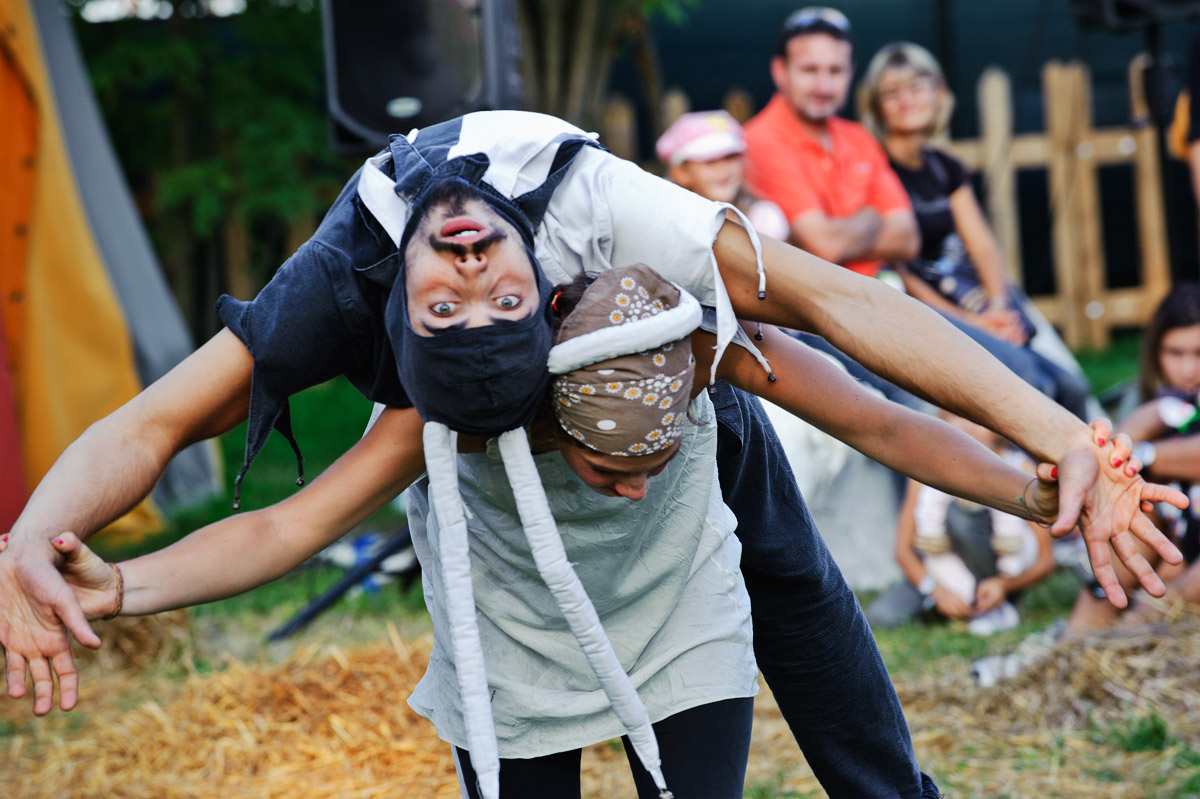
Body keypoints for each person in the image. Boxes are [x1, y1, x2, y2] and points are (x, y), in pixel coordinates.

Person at [0, 109, 1183, 798]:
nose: (464, 283)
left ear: (555, 298)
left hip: (684, 415)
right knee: (521, 690)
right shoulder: (369, 328)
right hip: (489, 506)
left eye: (485, 307)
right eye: (452, 318)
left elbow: (844, 337)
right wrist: (52, 557)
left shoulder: (630, 246)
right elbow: (226, 477)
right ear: (398, 348)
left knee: (800, 592)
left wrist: (1056, 446)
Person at [856, 40, 1092, 419]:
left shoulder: (945, 167)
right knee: (1036, 384)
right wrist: (975, 323)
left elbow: (982, 245)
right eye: (891, 92)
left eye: (917, 86)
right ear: (875, 106)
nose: (907, 100)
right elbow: (896, 274)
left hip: (974, 297)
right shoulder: (875, 168)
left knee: (1073, 387)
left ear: (939, 94)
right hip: (930, 310)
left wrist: (998, 308)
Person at [742, 6, 919, 276]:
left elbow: (907, 239)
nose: (823, 86)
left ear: (851, 72)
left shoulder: (858, 137)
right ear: (780, 72)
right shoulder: (759, 141)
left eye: (835, 71)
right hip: (814, 310)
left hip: (882, 294)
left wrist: (835, 239)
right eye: (809, 70)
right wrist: (872, 217)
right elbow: (826, 246)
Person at [1066, 283, 1200, 633]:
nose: (1188, 368)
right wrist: (1156, 413)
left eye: (1199, 353)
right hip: (1175, 540)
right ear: (1156, 352)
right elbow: (1106, 459)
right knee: (1135, 520)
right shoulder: (1144, 400)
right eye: (1175, 352)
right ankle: (1075, 641)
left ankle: (1135, 630)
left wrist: (1144, 455)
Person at [866, 411, 1056, 634]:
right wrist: (936, 590)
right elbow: (902, 550)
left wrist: (1004, 585)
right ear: (944, 422)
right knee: (881, 616)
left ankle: (986, 603)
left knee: (960, 514)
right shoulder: (923, 470)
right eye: (957, 416)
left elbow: (1046, 561)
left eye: (977, 419)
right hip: (940, 571)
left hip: (1000, 573)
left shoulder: (1020, 469)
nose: (968, 426)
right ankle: (954, 605)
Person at [655, 109, 789, 241]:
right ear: (680, 172)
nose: (722, 168)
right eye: (709, 160)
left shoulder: (764, 218)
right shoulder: (668, 225)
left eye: (730, 157)